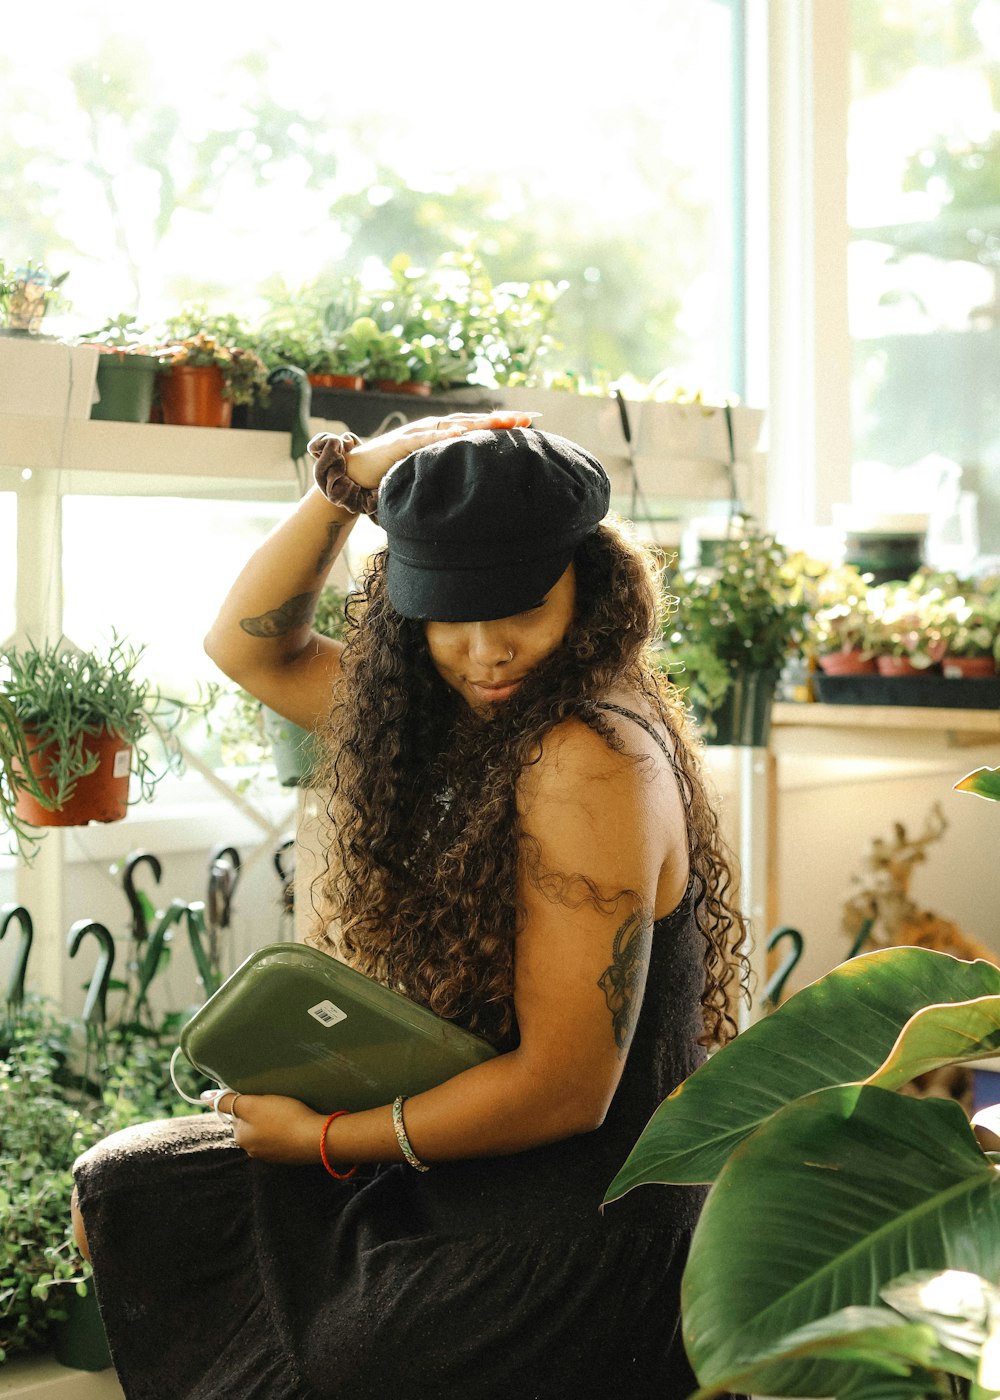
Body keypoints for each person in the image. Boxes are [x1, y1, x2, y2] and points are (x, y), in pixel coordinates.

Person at [72, 410, 748, 1400]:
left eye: (514, 607)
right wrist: (348, 486)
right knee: (135, 1184)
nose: (481, 651)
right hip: (465, 1166)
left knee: (358, 1344)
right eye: (445, 612)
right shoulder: (463, 718)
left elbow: (568, 1090)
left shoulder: (586, 756)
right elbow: (249, 646)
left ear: (589, 583)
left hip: (578, 1229)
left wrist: (325, 1141)